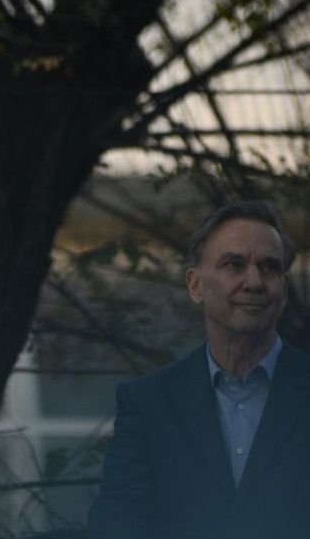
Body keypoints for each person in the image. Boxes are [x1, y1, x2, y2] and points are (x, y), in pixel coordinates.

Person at [87, 200, 308, 539]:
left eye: (269, 267)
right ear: (195, 286)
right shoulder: (149, 404)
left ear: (283, 288)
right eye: (234, 264)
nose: (254, 281)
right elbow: (118, 526)